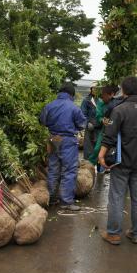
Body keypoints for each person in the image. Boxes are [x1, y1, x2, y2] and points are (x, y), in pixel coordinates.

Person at [99, 76, 137, 245]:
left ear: (123, 91)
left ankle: (113, 234)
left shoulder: (120, 110)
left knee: (117, 197)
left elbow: (109, 137)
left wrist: (101, 155)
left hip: (122, 161)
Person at [39, 82, 86, 211]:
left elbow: (42, 121)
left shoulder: (49, 106)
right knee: (69, 171)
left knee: (53, 169)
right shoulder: (74, 108)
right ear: (71, 94)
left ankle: (53, 198)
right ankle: (66, 202)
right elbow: (82, 124)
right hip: (68, 141)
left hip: (53, 139)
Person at [88, 85, 119, 170]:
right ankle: (90, 167)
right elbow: (98, 116)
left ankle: (103, 169)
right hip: (104, 130)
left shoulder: (117, 103)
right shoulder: (101, 103)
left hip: (116, 131)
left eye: (104, 95)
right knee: (98, 149)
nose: (102, 98)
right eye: (101, 96)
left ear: (112, 94)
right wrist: (102, 120)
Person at [80, 82, 99, 160]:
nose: (95, 90)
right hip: (90, 126)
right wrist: (87, 122)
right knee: (89, 147)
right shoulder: (86, 100)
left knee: (99, 146)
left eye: (97, 88)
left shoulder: (102, 99)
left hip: (100, 127)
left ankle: (100, 168)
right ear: (91, 89)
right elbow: (82, 113)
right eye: (93, 88)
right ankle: (89, 165)